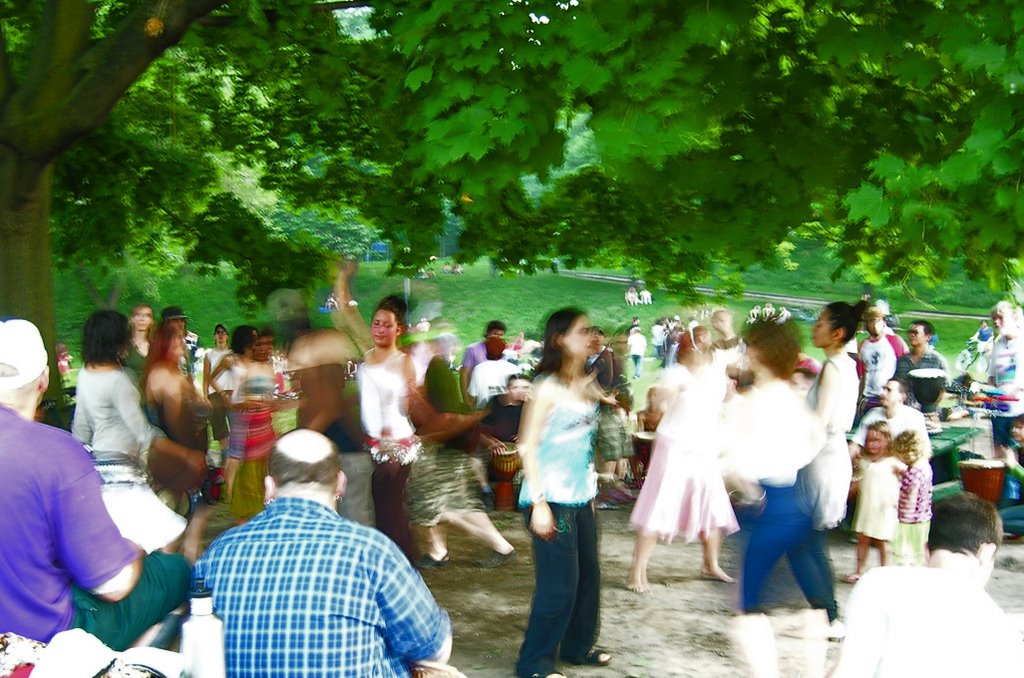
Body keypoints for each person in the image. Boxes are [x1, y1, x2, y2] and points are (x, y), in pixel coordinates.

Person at [194, 429, 455, 677]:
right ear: (340, 483)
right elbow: (433, 649)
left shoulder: (219, 552)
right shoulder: (372, 551)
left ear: (269, 487)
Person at [0, 318, 189, 649]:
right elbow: (113, 585)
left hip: (97, 460)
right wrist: (135, 549)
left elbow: (82, 429)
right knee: (174, 569)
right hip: (45, 637)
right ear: (44, 379)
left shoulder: (85, 383)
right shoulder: (53, 452)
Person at [719, 309, 826, 674]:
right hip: (797, 503)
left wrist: (746, 489)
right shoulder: (794, 399)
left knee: (749, 611)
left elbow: (735, 466)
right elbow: (816, 438)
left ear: (758, 352)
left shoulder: (753, 405)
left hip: (764, 509)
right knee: (804, 607)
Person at [515, 308, 612, 678]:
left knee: (589, 577)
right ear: (560, 339)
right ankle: (533, 666)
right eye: (582, 331)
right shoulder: (546, 387)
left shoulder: (585, 382)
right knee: (559, 587)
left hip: (582, 495)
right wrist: (538, 503)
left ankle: (577, 646)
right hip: (551, 498)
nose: (590, 336)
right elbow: (526, 445)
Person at [829, 494, 1024, 677]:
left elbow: (849, 670)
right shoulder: (1004, 633)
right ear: (987, 552)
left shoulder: (878, 583)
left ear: (925, 549)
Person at [627, 325, 739, 593]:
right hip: (674, 445)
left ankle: (710, 564)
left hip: (703, 446)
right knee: (659, 504)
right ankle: (637, 570)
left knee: (712, 505)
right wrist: (673, 393)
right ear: (686, 348)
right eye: (697, 340)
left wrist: (726, 328)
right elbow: (658, 404)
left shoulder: (716, 370)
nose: (703, 344)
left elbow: (733, 348)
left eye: (706, 340)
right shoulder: (675, 373)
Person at [72, 310, 186, 552]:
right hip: (124, 470)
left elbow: (80, 427)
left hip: (99, 466)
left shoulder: (84, 373)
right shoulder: (120, 380)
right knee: (169, 536)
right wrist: (184, 455)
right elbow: (142, 432)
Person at [408, 341, 516, 569]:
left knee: (448, 507)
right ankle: (440, 551)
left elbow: (448, 417)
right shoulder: (434, 370)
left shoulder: (434, 370)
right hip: (448, 450)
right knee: (449, 504)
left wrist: (423, 438)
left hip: (443, 452)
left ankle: (499, 546)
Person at [798, 300, 864, 636]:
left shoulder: (834, 368)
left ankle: (828, 614)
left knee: (803, 540)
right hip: (827, 455)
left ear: (837, 333)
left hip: (819, 457)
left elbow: (818, 423)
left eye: (821, 323)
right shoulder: (845, 364)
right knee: (808, 540)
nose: (814, 327)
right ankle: (826, 613)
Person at [145, 320, 214, 561]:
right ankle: (182, 556)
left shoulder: (169, 371)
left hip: (179, 451)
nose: (179, 344)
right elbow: (175, 422)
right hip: (176, 453)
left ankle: (187, 553)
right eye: (174, 340)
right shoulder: (164, 374)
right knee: (185, 507)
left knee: (191, 506)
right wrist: (189, 455)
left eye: (180, 339)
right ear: (164, 343)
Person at [360, 295, 421, 562]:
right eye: (376, 323)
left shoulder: (403, 361)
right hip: (371, 441)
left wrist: (404, 396)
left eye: (387, 325)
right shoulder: (366, 357)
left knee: (389, 507)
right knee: (378, 504)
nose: (380, 329)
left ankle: (402, 561)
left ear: (399, 330)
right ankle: (394, 558)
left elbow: (406, 407)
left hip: (396, 443)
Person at [845, 421, 901, 583]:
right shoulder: (864, 462)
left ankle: (886, 572)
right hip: (866, 509)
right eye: (869, 440)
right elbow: (856, 482)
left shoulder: (893, 462)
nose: (871, 444)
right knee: (863, 539)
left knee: (883, 542)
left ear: (887, 441)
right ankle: (859, 570)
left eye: (877, 440)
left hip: (884, 509)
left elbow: (908, 479)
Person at [988, 300, 1024, 506]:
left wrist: (1015, 390)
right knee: (1001, 457)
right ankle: (1005, 502)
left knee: (1017, 455)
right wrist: (991, 393)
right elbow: (993, 376)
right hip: (1000, 410)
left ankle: (1016, 501)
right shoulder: (998, 343)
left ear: (1015, 318)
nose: (997, 323)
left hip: (1019, 410)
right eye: (994, 319)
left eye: (1001, 318)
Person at [849, 378, 932, 459]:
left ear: (902, 396)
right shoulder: (872, 414)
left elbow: (924, 452)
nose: (882, 393)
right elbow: (856, 443)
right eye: (883, 389)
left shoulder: (914, 417)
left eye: (889, 390)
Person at [891, 430, 933, 565]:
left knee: (903, 553)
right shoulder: (925, 466)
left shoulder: (912, 474)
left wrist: (901, 517)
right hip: (924, 518)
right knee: (919, 552)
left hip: (909, 521)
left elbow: (910, 498)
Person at [856, 306, 908, 416]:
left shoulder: (895, 341)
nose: (874, 325)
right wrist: (858, 399)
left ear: (884, 322)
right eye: (871, 321)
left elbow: (905, 367)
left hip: (889, 397)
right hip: (869, 397)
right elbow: (862, 374)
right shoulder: (862, 346)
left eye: (877, 320)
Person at [894, 319, 949, 410]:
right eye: (910, 332)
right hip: (904, 410)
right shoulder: (901, 361)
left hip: (928, 411)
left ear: (928, 337)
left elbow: (944, 389)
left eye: (915, 333)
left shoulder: (938, 360)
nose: (911, 335)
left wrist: (932, 407)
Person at [203, 323, 234, 456]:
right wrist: (205, 397)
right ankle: (225, 456)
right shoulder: (209, 354)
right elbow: (205, 377)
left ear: (227, 336)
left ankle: (237, 455)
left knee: (236, 425)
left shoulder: (233, 353)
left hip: (232, 393)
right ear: (214, 336)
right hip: (214, 394)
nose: (220, 335)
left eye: (223, 332)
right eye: (218, 332)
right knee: (220, 429)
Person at [459, 320, 506, 406]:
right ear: (487, 333)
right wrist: (466, 400)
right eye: (495, 334)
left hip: (494, 395)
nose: (497, 338)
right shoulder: (472, 349)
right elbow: (463, 374)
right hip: (474, 394)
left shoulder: (501, 351)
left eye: (500, 335)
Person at [466, 335, 520, 409]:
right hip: (507, 412)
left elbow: (472, 396)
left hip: (484, 413)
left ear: (486, 350)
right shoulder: (513, 368)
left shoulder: (479, 369)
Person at [123, 302, 154, 387]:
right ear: (131, 319)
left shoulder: (157, 345)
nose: (142, 319)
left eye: (147, 315)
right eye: (138, 315)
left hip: (152, 396)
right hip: (128, 394)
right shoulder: (123, 346)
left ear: (151, 321)